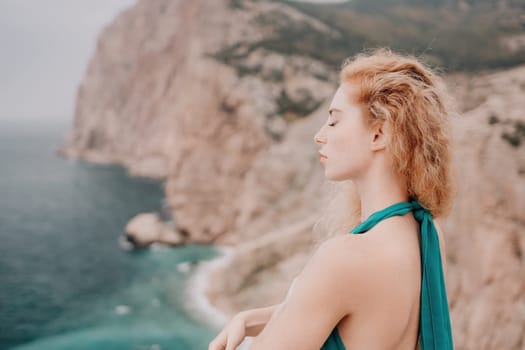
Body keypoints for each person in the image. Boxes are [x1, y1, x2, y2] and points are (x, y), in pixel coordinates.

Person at [208, 48, 456, 350]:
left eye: (334, 121)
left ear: (379, 134)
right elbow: (356, 317)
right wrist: (249, 320)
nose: (319, 135)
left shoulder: (344, 258)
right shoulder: (425, 233)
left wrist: (298, 292)